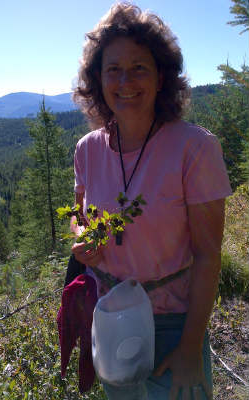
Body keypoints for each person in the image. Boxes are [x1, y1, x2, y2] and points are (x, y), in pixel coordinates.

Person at [70, 3, 232, 399]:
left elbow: (208, 255)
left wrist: (191, 348)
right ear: (97, 79)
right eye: (113, 69)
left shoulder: (194, 148)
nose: (125, 80)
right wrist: (84, 236)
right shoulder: (87, 150)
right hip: (108, 314)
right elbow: (79, 213)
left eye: (139, 67)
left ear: (161, 76)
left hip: (174, 322)